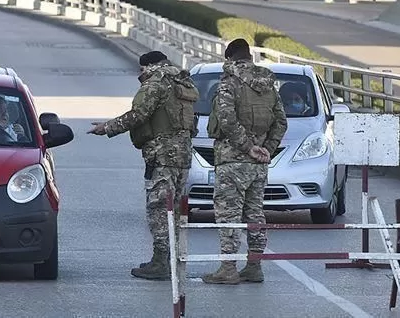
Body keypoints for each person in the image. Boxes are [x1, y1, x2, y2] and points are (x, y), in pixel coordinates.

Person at [87, 51, 200, 280]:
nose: (141, 74)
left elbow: (138, 115)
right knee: (174, 209)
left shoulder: (156, 84)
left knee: (158, 208)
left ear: (148, 66)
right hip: (182, 155)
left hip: (162, 155)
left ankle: (160, 262)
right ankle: (171, 259)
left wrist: (107, 128)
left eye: (142, 69)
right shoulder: (183, 83)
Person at [202, 38, 287, 285]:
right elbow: (281, 122)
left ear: (229, 59)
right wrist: (265, 149)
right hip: (259, 165)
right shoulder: (269, 86)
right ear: (250, 57)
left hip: (232, 161)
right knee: (255, 214)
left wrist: (248, 148)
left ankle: (228, 269)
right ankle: (254, 266)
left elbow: (226, 121)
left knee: (228, 215)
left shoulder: (229, 83)